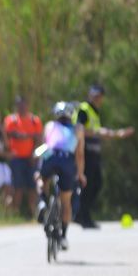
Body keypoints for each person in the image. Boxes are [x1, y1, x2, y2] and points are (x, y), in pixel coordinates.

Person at [74, 84, 135, 228]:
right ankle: (82, 217)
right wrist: (98, 132)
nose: (98, 99)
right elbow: (79, 129)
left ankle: (83, 215)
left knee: (97, 184)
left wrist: (116, 134)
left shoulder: (95, 112)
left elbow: (99, 132)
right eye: (95, 96)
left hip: (94, 155)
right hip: (85, 154)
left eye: (99, 96)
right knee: (88, 185)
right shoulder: (84, 109)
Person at [37, 101, 85, 251]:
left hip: (50, 156)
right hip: (67, 160)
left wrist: (39, 169)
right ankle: (63, 236)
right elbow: (80, 154)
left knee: (41, 178)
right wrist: (81, 174)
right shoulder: (78, 128)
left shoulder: (49, 126)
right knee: (66, 201)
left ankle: (42, 201)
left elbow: (44, 145)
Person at [5, 96, 44, 219]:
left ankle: (33, 214)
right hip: (16, 159)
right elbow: (13, 134)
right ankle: (14, 214)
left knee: (32, 186)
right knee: (17, 187)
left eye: (24, 105)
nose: (22, 108)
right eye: (19, 105)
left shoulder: (35, 120)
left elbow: (39, 138)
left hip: (31, 158)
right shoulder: (11, 119)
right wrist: (30, 135)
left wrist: (34, 154)